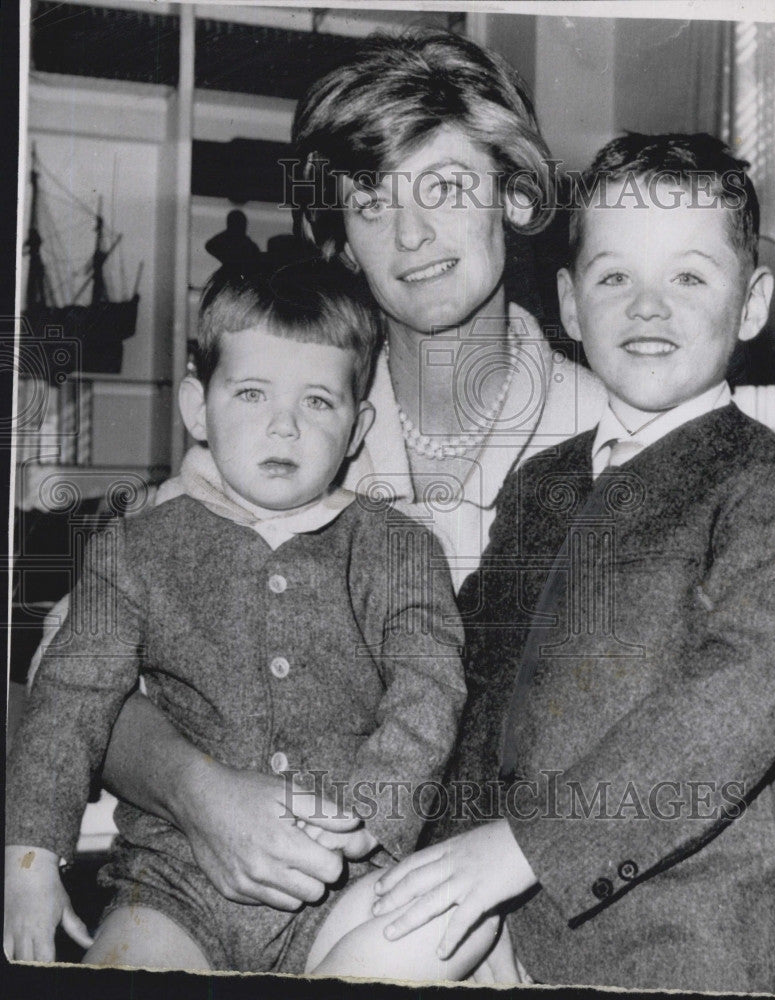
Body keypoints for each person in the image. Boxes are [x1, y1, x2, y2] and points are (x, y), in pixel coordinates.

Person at [15, 27, 606, 974]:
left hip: (505, 925)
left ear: (517, 192)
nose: (409, 235)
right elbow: (72, 660)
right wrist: (199, 792)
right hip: (221, 905)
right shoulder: (287, 426)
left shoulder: (607, 438)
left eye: (445, 187)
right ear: (338, 234)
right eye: (371, 201)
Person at [299, 133, 775, 992]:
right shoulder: (543, 484)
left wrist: (520, 849)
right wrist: (388, 813)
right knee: (341, 937)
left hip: (674, 929)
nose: (646, 307)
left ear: (751, 305)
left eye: (689, 277)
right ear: (567, 302)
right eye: (613, 277)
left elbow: (721, 720)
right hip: (499, 897)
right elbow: (463, 665)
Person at [5, 260, 467, 972]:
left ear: (356, 428)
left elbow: (428, 693)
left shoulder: (398, 548)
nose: (282, 425)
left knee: (441, 935)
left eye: (318, 402)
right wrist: (30, 857)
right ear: (198, 407)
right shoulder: (134, 546)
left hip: (350, 874)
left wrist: (363, 819)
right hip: (174, 883)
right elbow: (69, 702)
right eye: (251, 393)